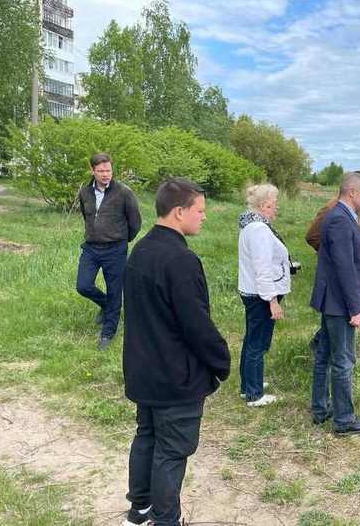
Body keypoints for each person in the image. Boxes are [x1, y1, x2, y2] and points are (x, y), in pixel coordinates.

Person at [122, 178, 231, 526]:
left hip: (144, 370)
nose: (204, 217)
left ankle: (138, 511)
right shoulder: (180, 259)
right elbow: (195, 324)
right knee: (170, 451)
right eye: (200, 211)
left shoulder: (140, 250)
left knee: (147, 438)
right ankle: (165, 519)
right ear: (179, 211)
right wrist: (221, 361)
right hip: (175, 377)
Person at [310, 172, 360, 436]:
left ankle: (320, 409)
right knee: (343, 361)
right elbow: (344, 268)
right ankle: (344, 421)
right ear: (352, 192)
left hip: (333, 302)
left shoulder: (340, 216)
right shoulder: (339, 220)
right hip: (339, 305)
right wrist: (355, 309)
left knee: (324, 355)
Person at [76, 152, 141, 350]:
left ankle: (108, 332)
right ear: (92, 171)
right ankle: (107, 306)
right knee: (83, 285)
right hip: (91, 248)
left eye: (108, 170)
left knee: (115, 291)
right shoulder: (85, 192)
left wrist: (122, 240)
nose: (105, 174)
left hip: (116, 249)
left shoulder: (124, 192)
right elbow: (86, 216)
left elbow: (135, 222)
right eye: (101, 171)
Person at [237, 183, 292, 407]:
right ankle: (254, 394)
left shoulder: (250, 226)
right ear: (264, 205)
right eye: (274, 205)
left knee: (252, 339)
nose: (276, 209)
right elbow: (262, 268)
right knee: (258, 344)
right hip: (260, 294)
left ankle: (248, 385)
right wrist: (272, 301)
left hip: (251, 291)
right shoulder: (259, 230)